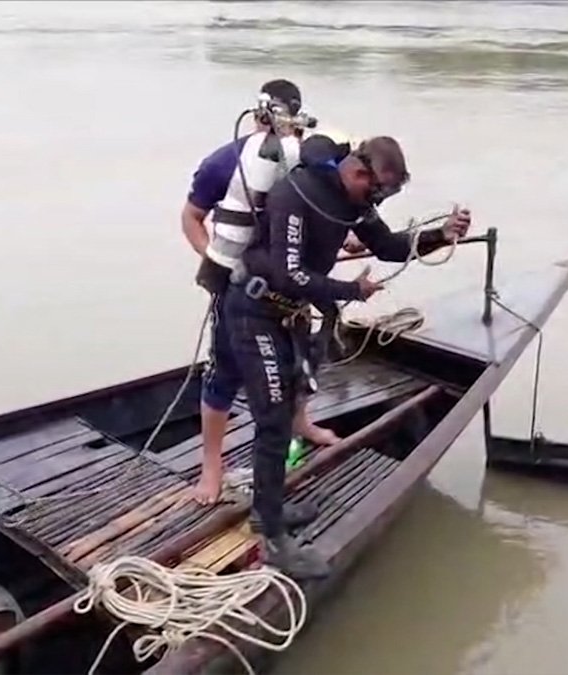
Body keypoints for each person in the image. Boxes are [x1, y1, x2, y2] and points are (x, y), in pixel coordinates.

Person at [224, 135, 471, 579]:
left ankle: (268, 510)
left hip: (288, 314)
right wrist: (350, 291)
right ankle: (274, 540)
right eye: (378, 191)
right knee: (275, 418)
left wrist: (440, 234)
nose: (377, 200)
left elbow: (388, 246)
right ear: (360, 172)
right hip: (254, 311)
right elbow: (290, 273)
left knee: (286, 408)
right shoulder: (294, 195)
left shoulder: (352, 200)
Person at [181, 79, 347, 506]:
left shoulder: (305, 166)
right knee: (224, 373)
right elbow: (191, 218)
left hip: (292, 289)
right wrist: (221, 262)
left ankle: (302, 422)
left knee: (300, 360)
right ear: (257, 116)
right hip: (239, 291)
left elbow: (323, 218)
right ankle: (211, 467)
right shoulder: (226, 162)